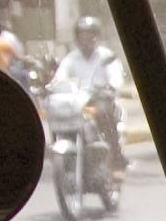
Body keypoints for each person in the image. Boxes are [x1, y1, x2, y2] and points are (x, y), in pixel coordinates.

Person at [49, 16, 128, 171]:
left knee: (104, 114)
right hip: (77, 101)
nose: (86, 38)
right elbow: (59, 77)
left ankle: (116, 157)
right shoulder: (71, 58)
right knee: (58, 115)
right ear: (77, 37)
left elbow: (116, 78)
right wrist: (52, 86)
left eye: (90, 34)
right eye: (82, 34)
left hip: (100, 99)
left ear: (96, 36)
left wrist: (110, 88)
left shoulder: (106, 56)